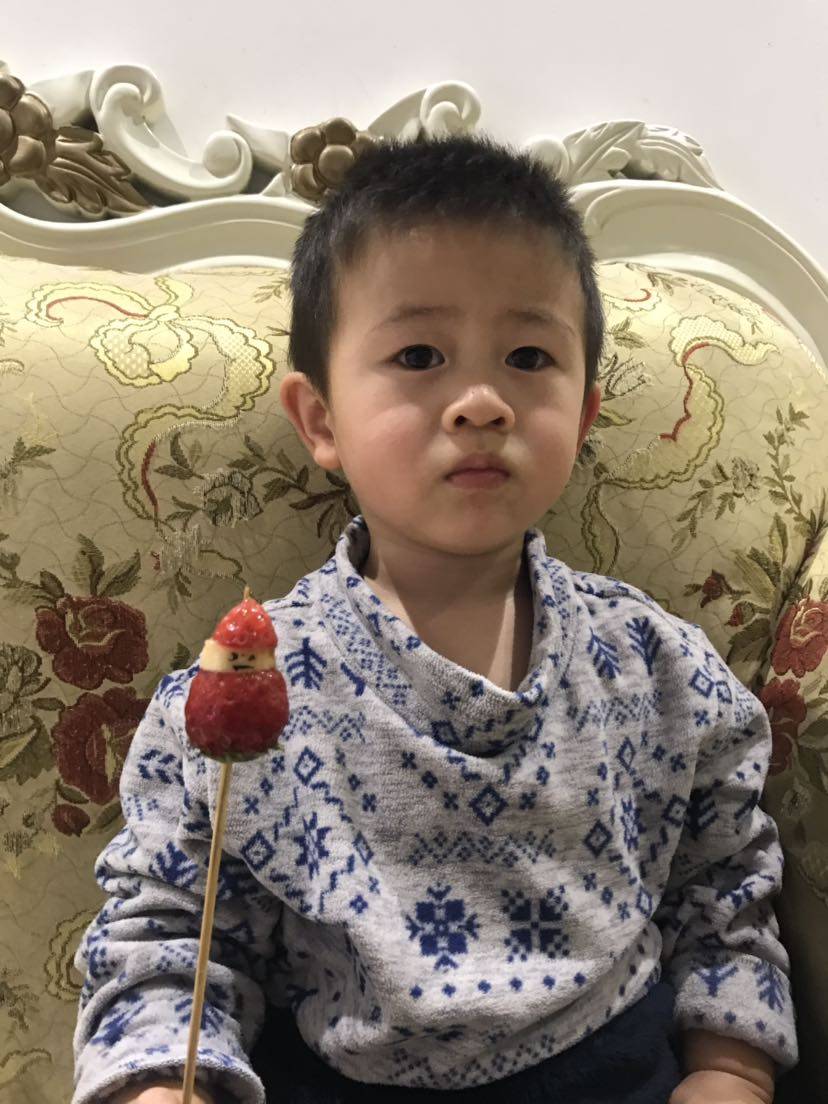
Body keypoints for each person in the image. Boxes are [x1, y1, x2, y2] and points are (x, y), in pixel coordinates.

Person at [72, 134, 797, 1104]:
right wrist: (162, 1081)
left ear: (584, 415)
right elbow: (167, 935)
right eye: (419, 356)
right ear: (320, 419)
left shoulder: (660, 668)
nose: (482, 403)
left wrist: (731, 1067)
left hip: (618, 1070)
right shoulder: (244, 688)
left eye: (529, 357)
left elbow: (728, 885)